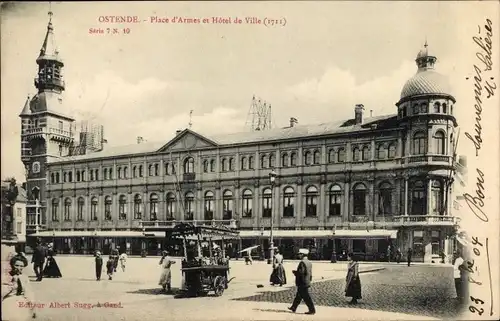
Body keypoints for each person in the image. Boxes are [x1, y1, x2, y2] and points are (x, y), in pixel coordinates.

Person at [288, 249, 316, 315]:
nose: (299, 255)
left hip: (302, 282)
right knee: (299, 295)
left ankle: (312, 310)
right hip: (307, 281)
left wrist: (295, 272)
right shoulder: (309, 262)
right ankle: (293, 307)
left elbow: (301, 273)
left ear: (302, 255)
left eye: (300, 254)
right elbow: (309, 273)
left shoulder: (302, 262)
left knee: (306, 297)